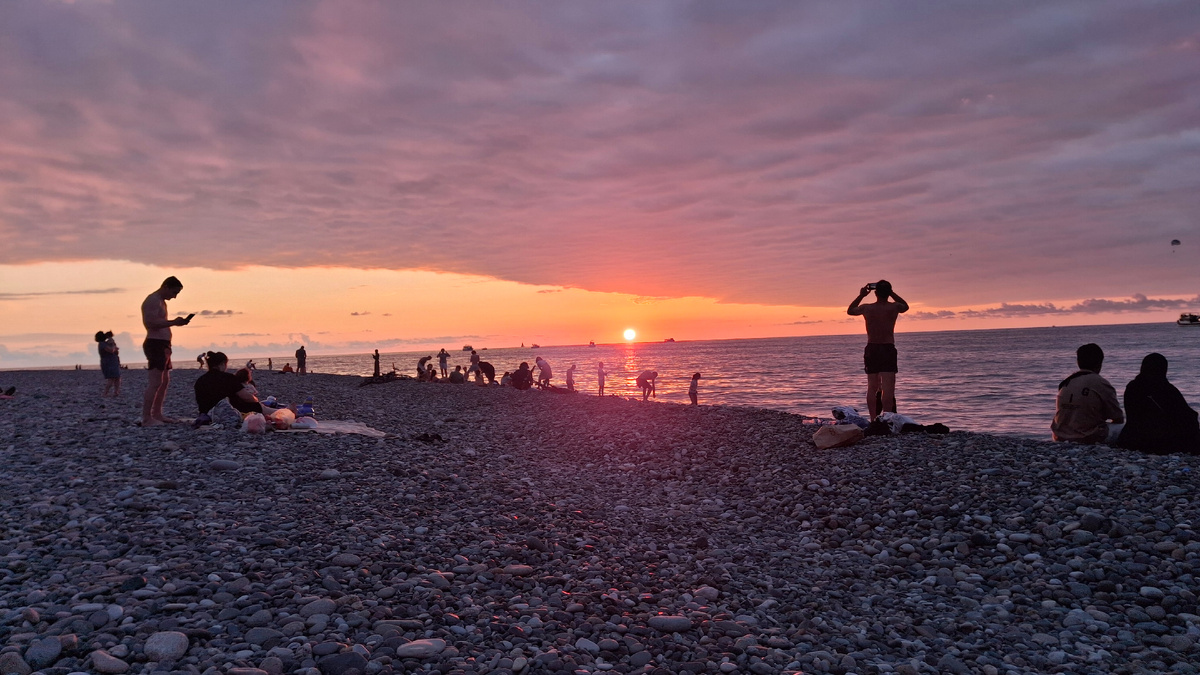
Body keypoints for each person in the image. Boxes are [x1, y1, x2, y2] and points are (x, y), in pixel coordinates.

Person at [847, 280, 910, 420]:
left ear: (875, 293)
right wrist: (891, 292)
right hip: (887, 348)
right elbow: (906, 306)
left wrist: (862, 295)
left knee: (872, 387)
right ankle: (887, 420)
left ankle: (873, 419)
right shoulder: (894, 307)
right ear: (889, 293)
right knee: (888, 388)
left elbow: (850, 310)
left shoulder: (867, 308)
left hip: (872, 348)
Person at [1116, 353, 1200, 454]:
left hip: (1131, 439)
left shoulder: (1132, 387)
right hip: (1159, 441)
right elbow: (1187, 417)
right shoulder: (1167, 389)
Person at [141, 276, 190, 426]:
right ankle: (146, 418)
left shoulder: (161, 302)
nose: (174, 297)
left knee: (164, 382)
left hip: (164, 344)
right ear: (166, 287)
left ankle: (157, 414)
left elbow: (160, 322)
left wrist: (176, 323)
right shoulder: (153, 300)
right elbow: (150, 323)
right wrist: (173, 322)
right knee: (155, 382)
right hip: (155, 344)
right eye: (174, 292)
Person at [1051, 343, 1124, 444]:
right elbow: (1118, 417)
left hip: (1059, 436)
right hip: (1087, 437)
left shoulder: (1067, 382)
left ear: (1078, 362)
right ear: (1100, 363)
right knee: (1123, 427)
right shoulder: (1100, 383)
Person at [193, 351, 290, 426]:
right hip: (227, 411)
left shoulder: (200, 380)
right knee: (257, 406)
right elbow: (246, 397)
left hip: (206, 412)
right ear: (222, 364)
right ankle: (285, 412)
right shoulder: (228, 378)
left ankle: (284, 411)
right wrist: (255, 400)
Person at [96, 330, 122, 397]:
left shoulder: (106, 343)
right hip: (108, 362)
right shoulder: (102, 344)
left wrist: (114, 347)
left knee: (117, 377)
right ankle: (105, 393)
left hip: (113, 361)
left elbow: (114, 350)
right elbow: (111, 350)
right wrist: (114, 347)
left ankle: (116, 392)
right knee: (111, 378)